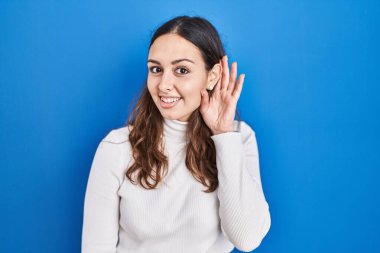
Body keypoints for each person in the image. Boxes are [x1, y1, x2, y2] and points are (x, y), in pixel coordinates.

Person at [81, 15, 271, 253]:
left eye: (181, 70)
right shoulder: (116, 148)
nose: (163, 85)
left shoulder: (239, 138)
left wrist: (223, 135)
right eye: (156, 69)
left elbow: (247, 238)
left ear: (212, 76)